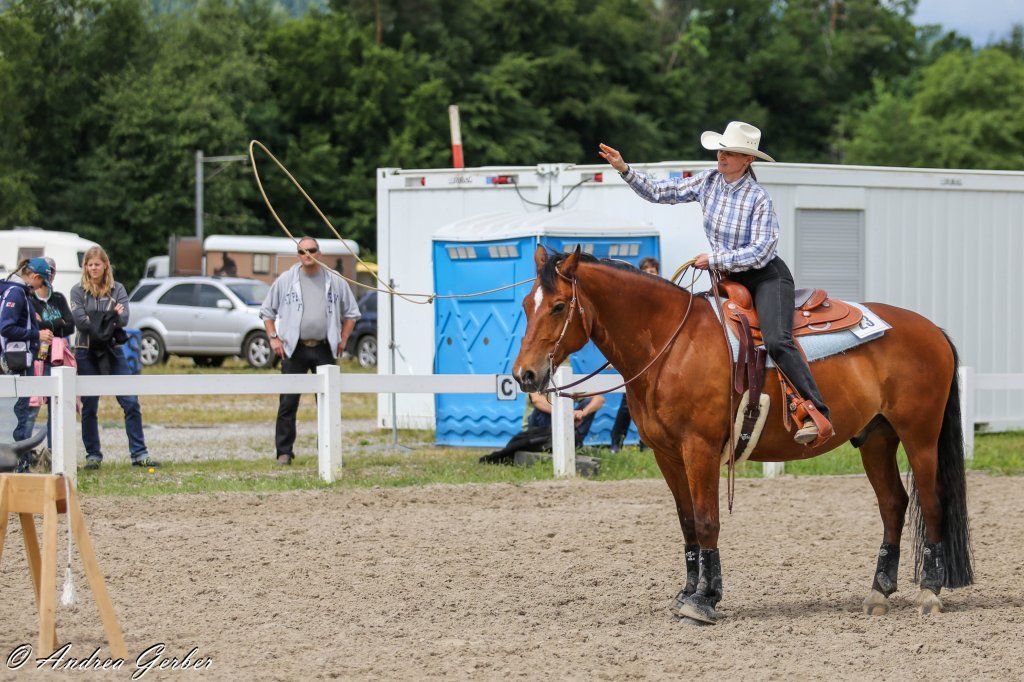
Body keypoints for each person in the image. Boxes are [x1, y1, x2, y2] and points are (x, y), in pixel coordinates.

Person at [599, 121, 831, 444]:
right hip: (727, 278)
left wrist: (716, 260)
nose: (721, 156)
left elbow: (763, 250)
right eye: (721, 150)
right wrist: (625, 169)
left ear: (747, 160)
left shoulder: (758, 198)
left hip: (765, 276)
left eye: (730, 152)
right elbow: (662, 192)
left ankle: (815, 410)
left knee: (777, 339)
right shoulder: (708, 182)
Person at [260, 236, 361, 465]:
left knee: (327, 403)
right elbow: (267, 312)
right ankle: (284, 452)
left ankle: (329, 451)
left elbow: (352, 313)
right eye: (303, 252)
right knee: (288, 403)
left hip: (324, 347)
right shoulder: (286, 280)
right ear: (298, 255)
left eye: (312, 250)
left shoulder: (334, 280)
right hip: (293, 349)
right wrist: (274, 338)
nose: (308, 255)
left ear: (320, 253)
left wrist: (343, 337)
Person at [70, 245, 159, 470]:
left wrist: (101, 319)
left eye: (97, 264)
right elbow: (81, 322)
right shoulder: (77, 290)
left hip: (113, 349)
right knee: (90, 405)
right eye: (89, 265)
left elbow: (125, 319)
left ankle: (139, 454)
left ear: (105, 265)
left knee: (130, 401)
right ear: (85, 267)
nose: (93, 268)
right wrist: (110, 316)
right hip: (85, 351)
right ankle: (93, 455)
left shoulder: (117, 288)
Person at [17, 258, 74, 456]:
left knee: (56, 409)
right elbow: (33, 326)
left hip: (56, 359)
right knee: (32, 408)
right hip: (35, 358)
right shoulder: (28, 299)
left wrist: (45, 323)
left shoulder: (58, 297)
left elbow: (71, 325)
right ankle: (25, 453)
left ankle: (54, 453)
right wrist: (56, 322)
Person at [1, 260, 50, 471]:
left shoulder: (16, 291)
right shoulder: (16, 293)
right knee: (19, 416)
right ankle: (18, 467)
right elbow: (6, 327)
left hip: (17, 362)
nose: (41, 287)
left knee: (16, 415)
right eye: (42, 282)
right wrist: (36, 334)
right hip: (17, 363)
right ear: (35, 277)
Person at [610, 257, 660, 452]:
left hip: (656, 359)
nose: (650, 274)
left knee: (654, 405)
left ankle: (646, 444)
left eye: (653, 271)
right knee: (627, 405)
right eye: (646, 270)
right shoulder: (633, 299)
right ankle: (617, 442)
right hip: (637, 361)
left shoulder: (664, 296)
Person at [480, 392, 605, 464]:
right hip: (537, 430)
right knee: (545, 406)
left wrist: (583, 412)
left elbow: (599, 398)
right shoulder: (536, 378)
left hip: (565, 425)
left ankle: (571, 440)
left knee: (587, 404)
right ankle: (552, 441)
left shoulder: (568, 379)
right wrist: (566, 413)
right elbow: (537, 400)